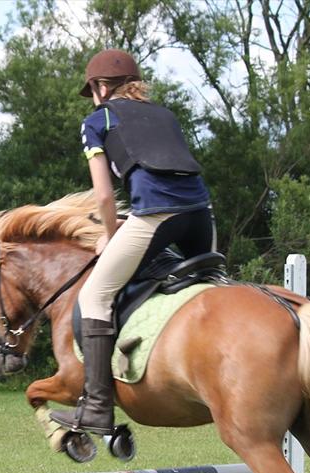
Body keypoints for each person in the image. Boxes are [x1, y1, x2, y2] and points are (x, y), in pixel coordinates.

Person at [50, 49, 216, 435]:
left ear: (100, 86)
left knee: (96, 296)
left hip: (156, 216)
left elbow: (104, 197)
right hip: (201, 215)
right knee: (212, 287)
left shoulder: (98, 119)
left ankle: (96, 407)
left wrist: (110, 237)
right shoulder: (165, 115)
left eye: (92, 90)